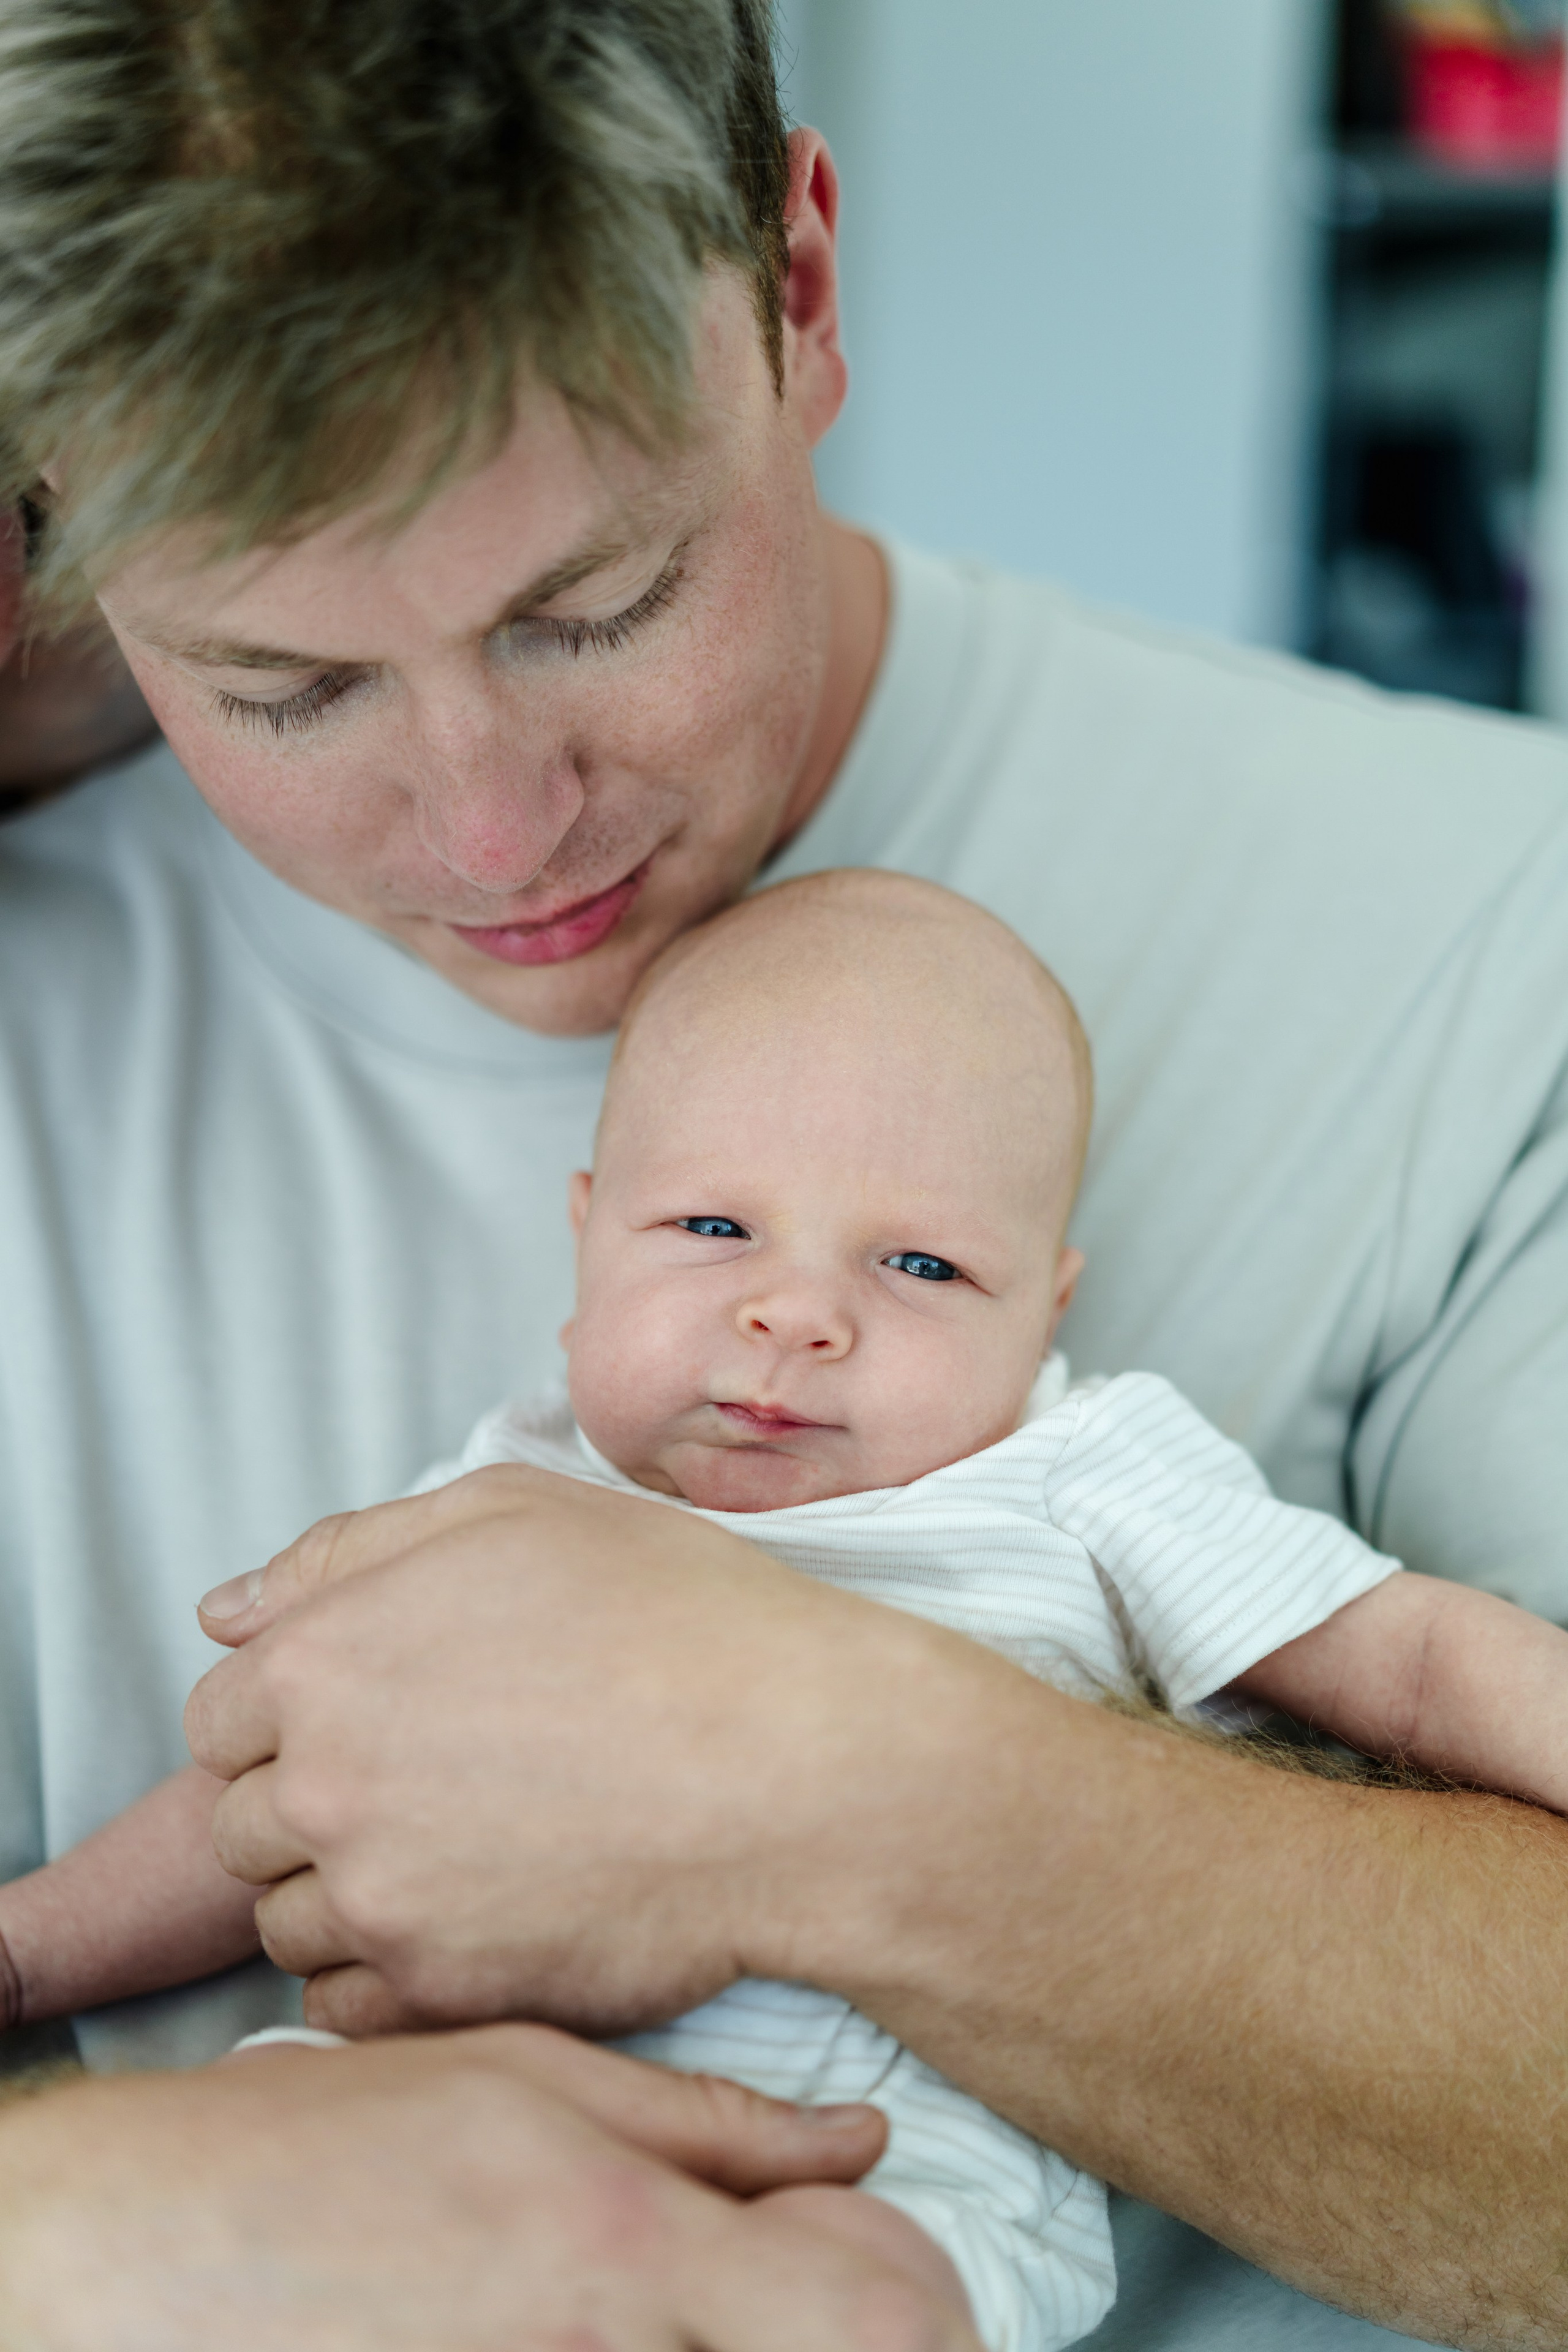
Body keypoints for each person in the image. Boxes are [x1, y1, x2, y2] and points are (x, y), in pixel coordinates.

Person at [2, 3, 1568, 2345]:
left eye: (599, 605)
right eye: (285, 687)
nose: (490, 832)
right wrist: (77, 2238)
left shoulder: (1490, 932)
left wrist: (828, 1782)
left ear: (804, 293)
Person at [13, 866, 1568, 2350]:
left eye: (921, 1264)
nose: (799, 1312)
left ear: (1046, 1309)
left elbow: (1413, 1659)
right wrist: (35, 1949)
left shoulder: (1080, 1472)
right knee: (241, 2177)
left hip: (874, 2164)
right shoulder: (504, 1490)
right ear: (583, 1237)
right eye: (710, 1230)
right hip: (426, 2107)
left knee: (854, 2307)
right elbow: (271, 1785)